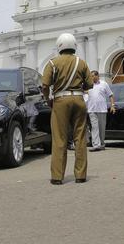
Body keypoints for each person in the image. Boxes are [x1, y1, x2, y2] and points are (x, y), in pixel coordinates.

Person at [41, 33, 94, 184]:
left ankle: (57, 177)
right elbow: (90, 84)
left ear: (59, 46)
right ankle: (81, 175)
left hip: (60, 100)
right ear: (74, 46)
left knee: (60, 139)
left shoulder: (52, 63)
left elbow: (45, 85)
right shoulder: (81, 62)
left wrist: (48, 98)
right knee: (80, 137)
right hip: (78, 99)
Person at [86, 71, 115, 151]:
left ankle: (102, 144)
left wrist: (112, 106)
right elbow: (84, 94)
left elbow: (111, 95)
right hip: (92, 110)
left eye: (92, 76)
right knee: (94, 127)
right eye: (90, 76)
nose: (91, 78)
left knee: (101, 128)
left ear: (97, 76)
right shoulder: (88, 85)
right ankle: (96, 145)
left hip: (102, 110)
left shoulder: (104, 84)